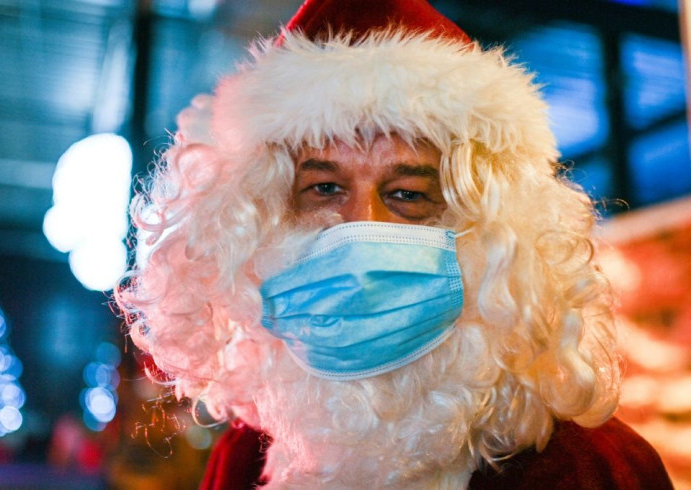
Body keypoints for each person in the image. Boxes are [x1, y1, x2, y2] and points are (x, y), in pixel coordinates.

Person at [116, 0, 674, 488]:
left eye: (407, 193)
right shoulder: (245, 456)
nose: (361, 225)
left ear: (492, 234)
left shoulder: (588, 471)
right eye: (325, 188)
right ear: (260, 223)